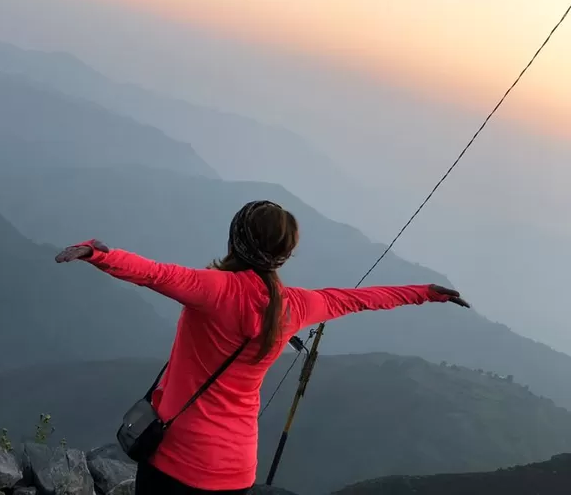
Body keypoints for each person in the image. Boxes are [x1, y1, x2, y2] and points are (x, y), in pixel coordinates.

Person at [55, 200, 470, 495]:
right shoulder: (296, 306)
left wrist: (98, 253)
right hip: (236, 472)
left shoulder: (215, 290)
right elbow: (358, 299)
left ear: (236, 238)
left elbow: (154, 274)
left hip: (177, 461)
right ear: (283, 255)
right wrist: (426, 292)